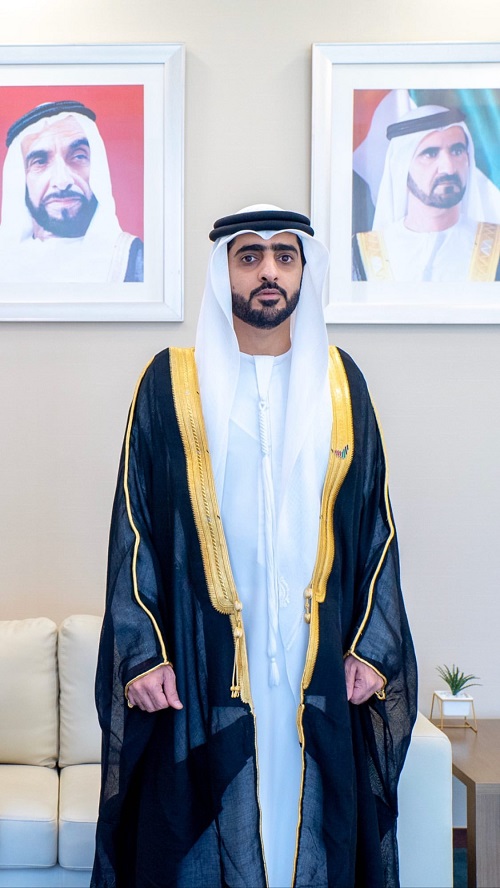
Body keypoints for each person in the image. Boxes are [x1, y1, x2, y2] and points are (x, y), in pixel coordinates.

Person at [92, 205, 417, 888]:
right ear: (224, 273)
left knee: (309, 821)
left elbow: (376, 520)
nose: (269, 271)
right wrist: (142, 651)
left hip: (313, 662)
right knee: (201, 828)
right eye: (250, 256)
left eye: (284, 256)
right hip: (206, 661)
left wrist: (371, 645)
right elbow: (134, 521)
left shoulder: (341, 383)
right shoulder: (169, 382)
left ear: (302, 270)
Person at [0, 99, 143, 282]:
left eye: (78, 156)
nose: (62, 181)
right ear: (21, 180)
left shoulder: (135, 262)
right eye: (40, 162)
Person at [354, 105, 500, 282]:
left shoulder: (495, 247)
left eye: (457, 151)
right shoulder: (361, 253)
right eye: (430, 154)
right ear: (402, 167)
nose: (448, 168)